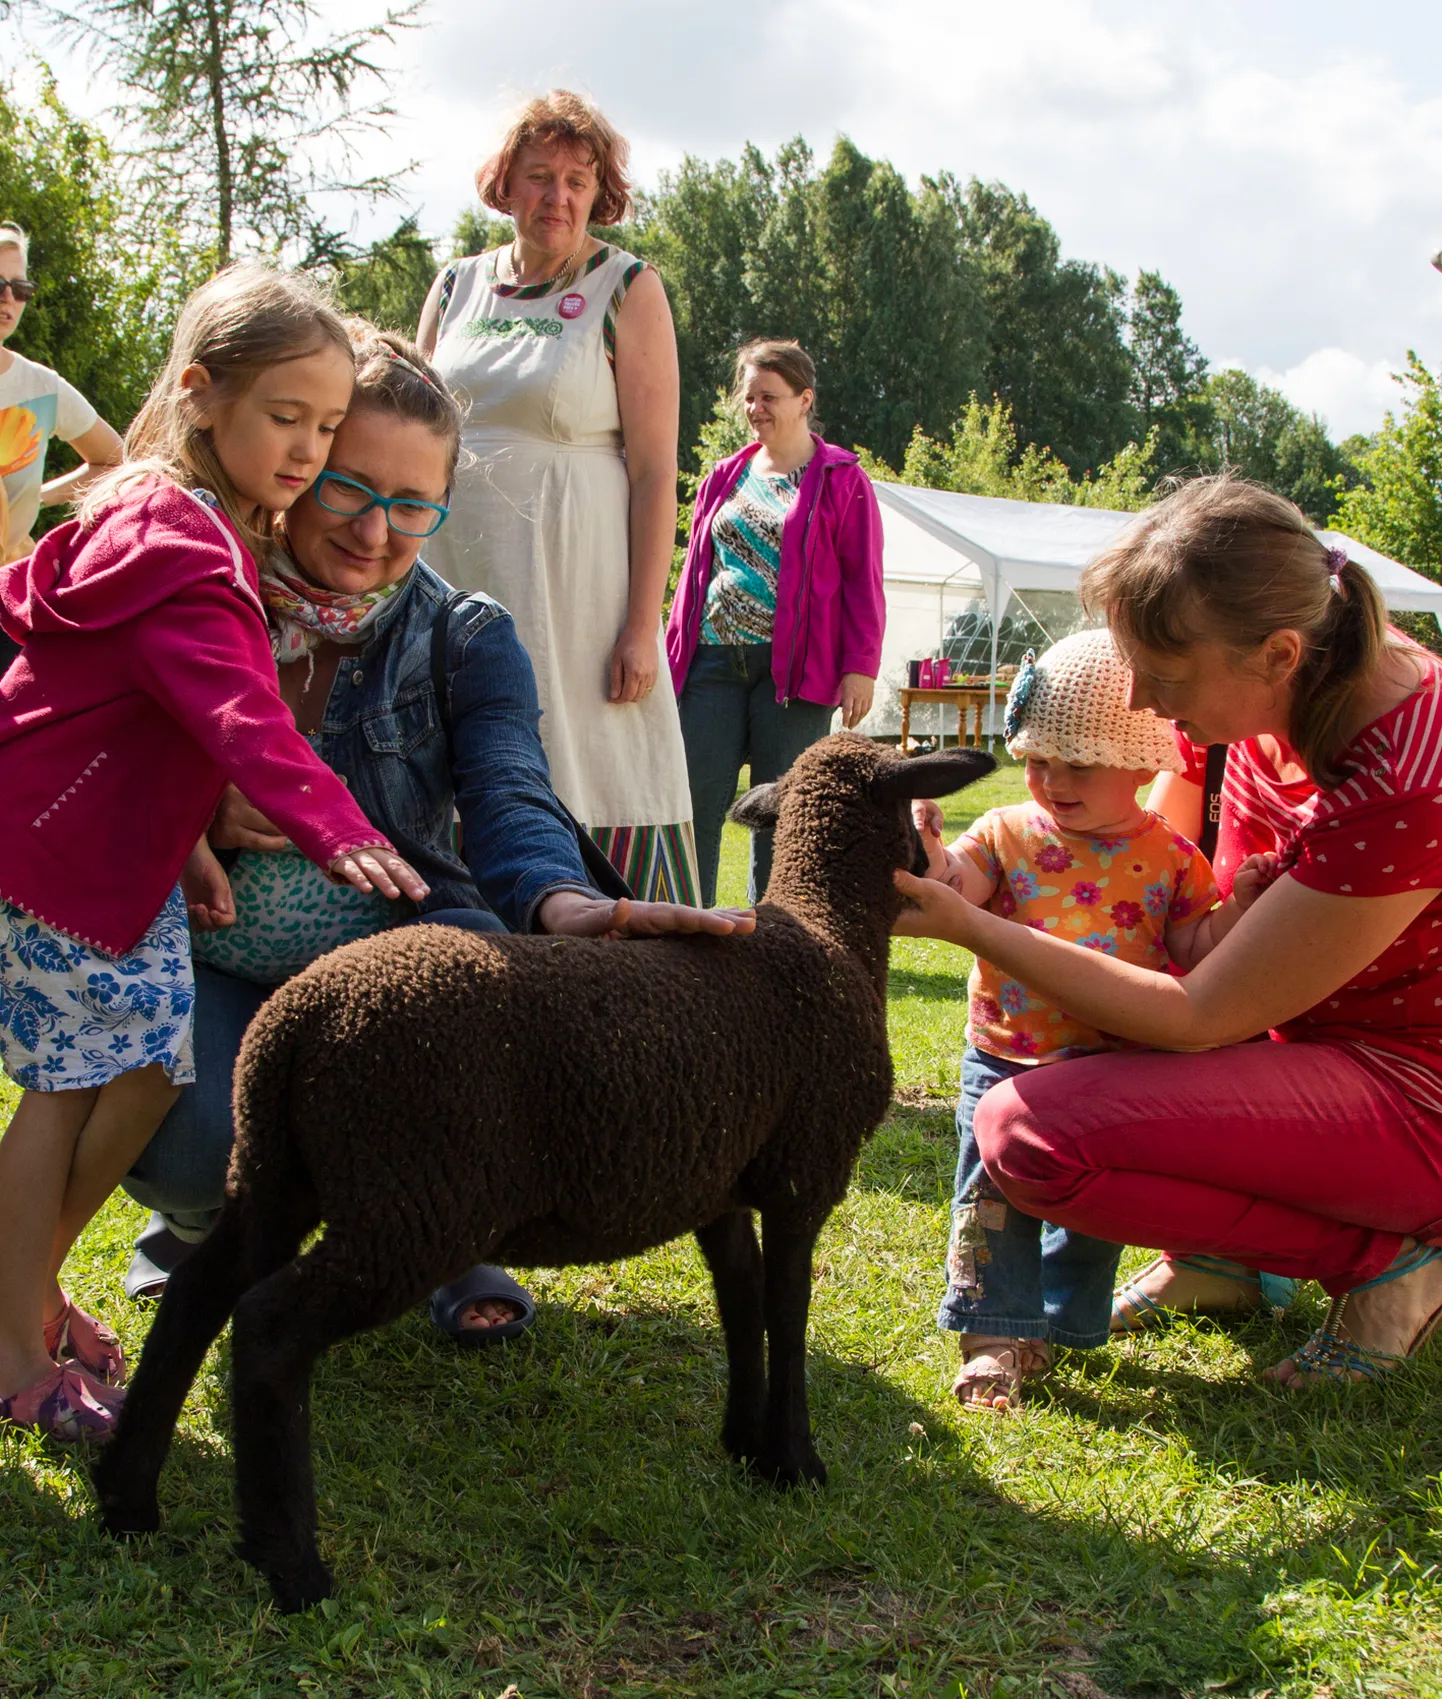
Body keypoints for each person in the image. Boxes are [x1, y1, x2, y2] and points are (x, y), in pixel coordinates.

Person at [121, 323, 754, 1346]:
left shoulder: (465, 632)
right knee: (192, 1140)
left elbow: (510, 789)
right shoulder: (195, 590)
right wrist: (182, 804)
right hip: (212, 959)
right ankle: (204, 1224)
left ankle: (442, 1229)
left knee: (472, 1035)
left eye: (413, 503)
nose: (377, 529)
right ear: (303, 461)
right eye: (351, 487)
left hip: (393, 956)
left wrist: (560, 900)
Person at [0, 265, 428, 1441]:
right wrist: (338, 829)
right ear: (200, 395)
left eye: (327, 423)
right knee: (65, 1088)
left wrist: (185, 837)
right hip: (60, 852)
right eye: (285, 417)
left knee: (147, 1070)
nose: (308, 448)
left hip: (114, 852)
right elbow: (240, 716)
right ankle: (10, 1341)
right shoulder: (185, 544)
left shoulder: (171, 513)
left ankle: (18, 1288)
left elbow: (146, 712)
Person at [894, 476, 1442, 1388]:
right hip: (1288, 1046)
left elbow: (1196, 1014)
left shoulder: (1416, 769)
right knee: (1056, 1112)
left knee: (1029, 1132)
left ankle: (1396, 1259)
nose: (1140, 700)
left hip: (1409, 1089)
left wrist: (973, 928)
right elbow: (1151, 870)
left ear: (1277, 654)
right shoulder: (1239, 684)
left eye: (1164, 676)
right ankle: (1220, 1260)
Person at [916, 629, 1249, 1409]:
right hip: (1006, 1056)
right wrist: (927, 844)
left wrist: (1247, 908)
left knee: (1092, 1209)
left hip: (1113, 1068)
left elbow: (1194, 943)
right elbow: (956, 886)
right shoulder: (1006, 830)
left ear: (1143, 762)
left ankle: (1060, 1327)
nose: (1053, 779)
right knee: (988, 1201)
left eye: (1080, 762)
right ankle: (993, 1332)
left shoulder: (1172, 856)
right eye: (1039, 758)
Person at [418, 90, 698, 903]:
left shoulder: (627, 288)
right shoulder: (454, 288)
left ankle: (616, 948)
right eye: (540, 176)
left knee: (585, 753)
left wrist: (642, 625)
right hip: (454, 568)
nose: (559, 197)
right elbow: (407, 425)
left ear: (600, 192)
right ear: (504, 185)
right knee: (459, 740)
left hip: (580, 589)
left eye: (579, 180)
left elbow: (653, 472)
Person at [666, 339, 885, 906]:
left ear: (804, 399)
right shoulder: (723, 476)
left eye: (769, 396)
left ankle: (772, 941)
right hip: (713, 661)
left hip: (796, 671)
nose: (755, 407)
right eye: (749, 396)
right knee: (693, 804)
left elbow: (864, 582)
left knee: (778, 810)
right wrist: (671, 653)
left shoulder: (842, 479)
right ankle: (687, 932)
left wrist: (860, 668)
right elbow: (695, 572)